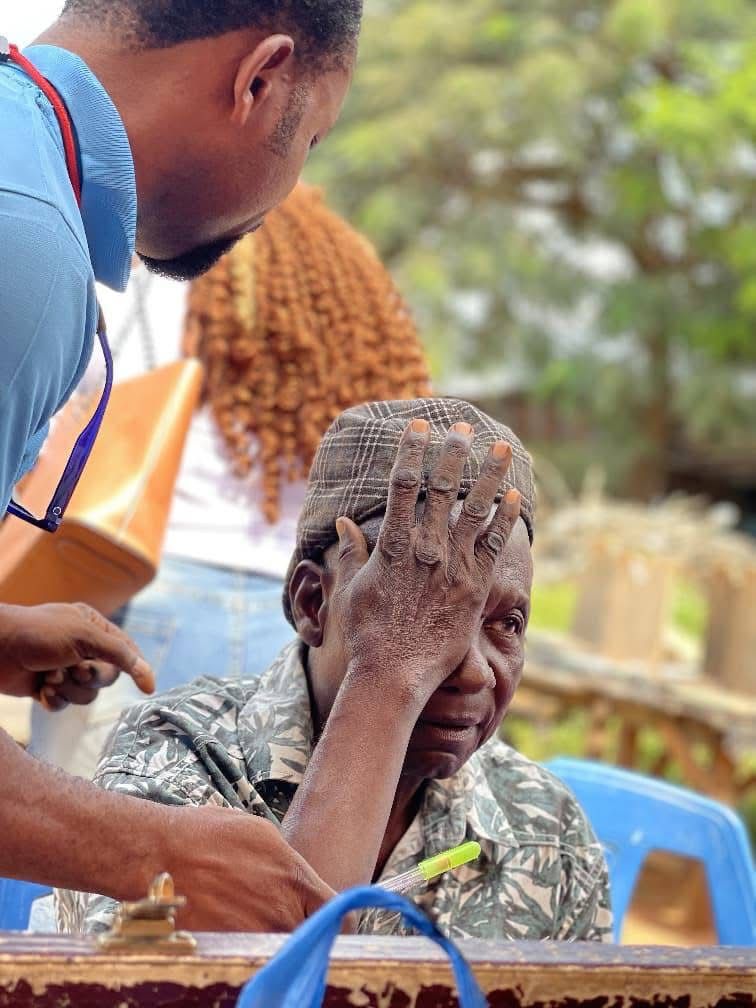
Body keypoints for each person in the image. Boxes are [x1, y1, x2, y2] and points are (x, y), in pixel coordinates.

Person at [1, 0, 362, 930]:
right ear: (260, 78)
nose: (290, 187)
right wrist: (155, 849)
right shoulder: (24, 243)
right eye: (310, 140)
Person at [58, 400, 613, 942]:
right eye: (418, 612)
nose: (473, 672)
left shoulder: (547, 828)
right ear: (312, 604)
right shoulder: (176, 758)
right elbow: (223, 982)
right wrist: (389, 672)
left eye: (507, 624)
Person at [30, 184, 431, 779]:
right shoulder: (354, 314)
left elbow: (61, 414)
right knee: (252, 828)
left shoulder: (162, 285)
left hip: (149, 594)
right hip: (302, 615)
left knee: (96, 815)